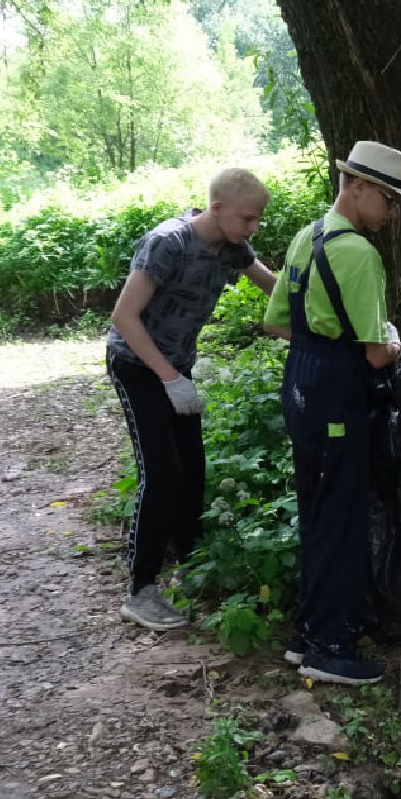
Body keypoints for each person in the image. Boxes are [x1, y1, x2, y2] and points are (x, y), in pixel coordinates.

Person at [263, 141, 401, 686]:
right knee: (343, 515)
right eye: (390, 201)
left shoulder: (307, 236)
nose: (392, 214)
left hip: (301, 380)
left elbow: (276, 322)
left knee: (317, 508)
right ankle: (331, 646)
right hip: (337, 393)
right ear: (360, 187)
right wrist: (391, 344)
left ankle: (308, 636)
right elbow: (375, 353)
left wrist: (323, 342)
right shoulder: (359, 253)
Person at [106, 168, 278, 629]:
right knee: (161, 473)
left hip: (174, 368)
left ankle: (191, 564)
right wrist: (168, 378)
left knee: (192, 470)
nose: (253, 228)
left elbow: (272, 286)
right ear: (216, 209)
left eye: (257, 219)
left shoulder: (233, 246)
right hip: (137, 365)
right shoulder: (169, 243)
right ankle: (140, 590)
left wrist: (319, 303)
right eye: (247, 218)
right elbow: (124, 316)